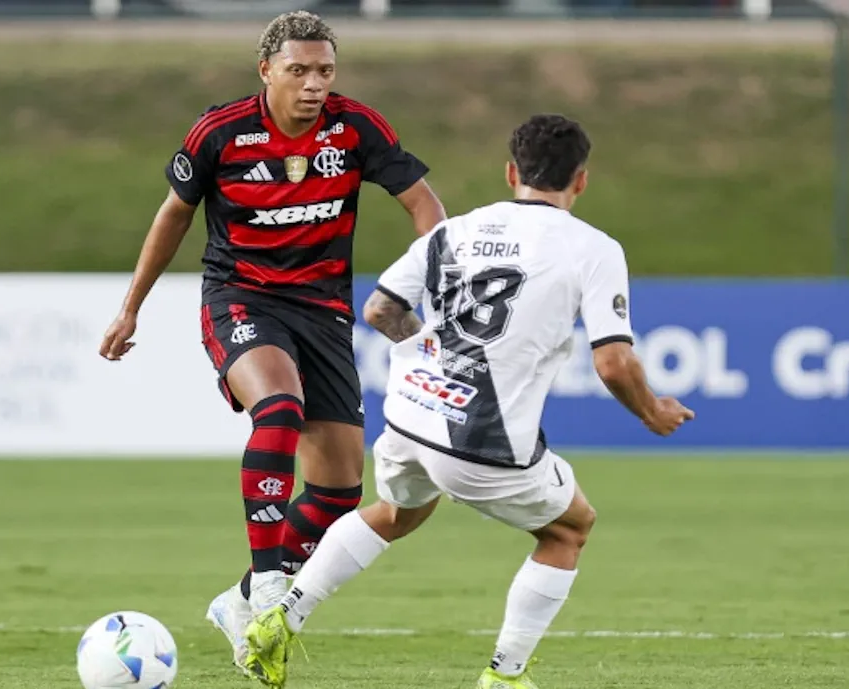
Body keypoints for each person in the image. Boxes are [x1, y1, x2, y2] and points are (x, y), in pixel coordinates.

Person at [239, 113, 695, 689]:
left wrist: (430, 350)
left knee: (398, 511)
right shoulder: (593, 248)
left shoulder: (454, 230)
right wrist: (652, 410)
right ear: (581, 181)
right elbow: (613, 360)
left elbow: (379, 310)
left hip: (410, 415)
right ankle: (504, 676)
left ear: (511, 172)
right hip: (483, 435)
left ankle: (281, 614)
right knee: (569, 529)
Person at [96, 9, 447, 672]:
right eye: (299, 70)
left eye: (325, 70)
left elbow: (424, 204)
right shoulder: (219, 133)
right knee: (279, 408)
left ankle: (238, 598)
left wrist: (430, 277)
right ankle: (268, 589)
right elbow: (174, 213)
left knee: (340, 491)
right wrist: (130, 308)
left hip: (323, 311)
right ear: (266, 72)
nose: (314, 83)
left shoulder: (356, 127)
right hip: (241, 298)